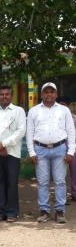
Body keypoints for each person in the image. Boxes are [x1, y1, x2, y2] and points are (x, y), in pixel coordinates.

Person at [27, 82, 76, 223]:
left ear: (56, 94)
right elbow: (29, 133)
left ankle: (60, 211)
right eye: (46, 92)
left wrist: (71, 151)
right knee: (42, 182)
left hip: (60, 149)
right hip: (40, 150)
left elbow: (71, 132)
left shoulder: (64, 110)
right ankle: (44, 211)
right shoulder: (34, 111)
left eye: (52, 92)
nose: (49, 94)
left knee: (60, 181)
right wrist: (31, 152)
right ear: (42, 94)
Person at [0, 85, 26, 222]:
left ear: (11, 95)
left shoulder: (18, 111)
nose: (4, 96)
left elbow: (21, 131)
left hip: (12, 153)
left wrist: (4, 144)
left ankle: (12, 212)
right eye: (2, 94)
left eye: (7, 94)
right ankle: (1, 212)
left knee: (11, 183)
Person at [57, 96, 76, 201]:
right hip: (59, 147)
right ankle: (61, 196)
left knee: (74, 171)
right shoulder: (54, 119)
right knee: (60, 174)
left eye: (65, 105)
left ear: (68, 106)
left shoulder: (74, 118)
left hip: (73, 147)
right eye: (61, 105)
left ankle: (74, 193)